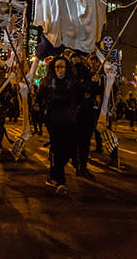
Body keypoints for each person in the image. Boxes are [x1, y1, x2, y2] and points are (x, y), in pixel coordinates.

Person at [39, 55, 77, 194]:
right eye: (57, 67)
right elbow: (39, 97)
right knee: (57, 148)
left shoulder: (71, 82)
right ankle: (60, 181)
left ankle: (52, 173)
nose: (60, 70)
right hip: (53, 120)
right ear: (53, 68)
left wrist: (94, 83)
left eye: (62, 67)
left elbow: (83, 91)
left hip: (69, 121)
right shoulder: (48, 83)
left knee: (69, 149)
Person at [73, 60, 100, 180]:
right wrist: (91, 85)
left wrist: (93, 84)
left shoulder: (85, 82)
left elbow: (97, 90)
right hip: (80, 116)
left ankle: (80, 167)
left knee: (82, 143)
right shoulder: (77, 82)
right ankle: (80, 167)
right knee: (81, 144)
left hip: (86, 116)